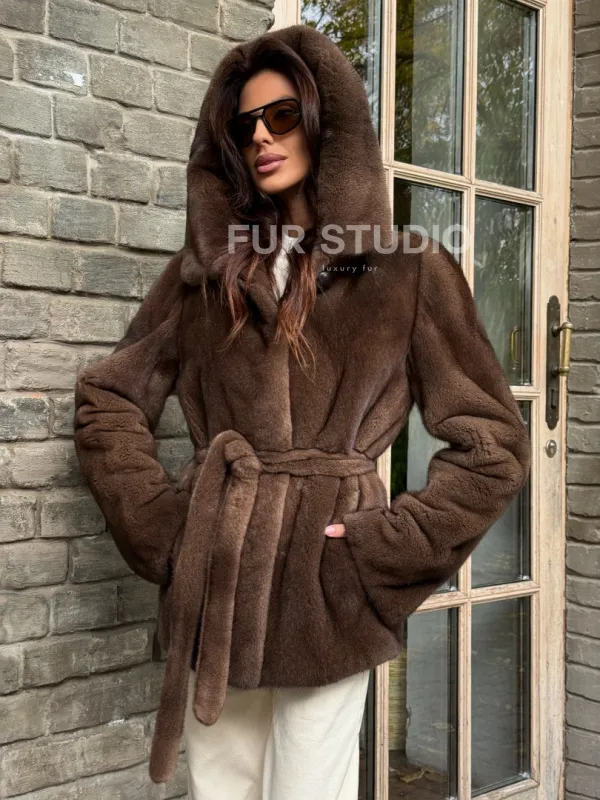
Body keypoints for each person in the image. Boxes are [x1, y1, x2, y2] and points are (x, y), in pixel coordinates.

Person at [73, 23, 531, 800]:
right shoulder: (199, 279)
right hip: (216, 593)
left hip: (328, 599)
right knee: (221, 790)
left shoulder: (407, 270)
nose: (261, 137)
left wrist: (383, 547)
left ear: (328, 123)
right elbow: (109, 399)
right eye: (243, 125)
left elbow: (492, 444)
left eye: (282, 116)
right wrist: (164, 528)